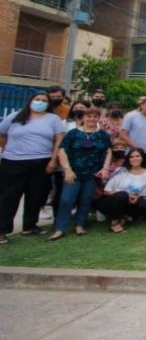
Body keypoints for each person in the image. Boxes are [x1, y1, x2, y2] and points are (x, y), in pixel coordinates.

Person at [0, 92, 65, 243]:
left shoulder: (53, 119)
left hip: (41, 161)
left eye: (44, 100)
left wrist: (53, 161)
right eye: (37, 99)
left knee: (36, 195)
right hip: (13, 162)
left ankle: (30, 225)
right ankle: (2, 229)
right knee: (9, 197)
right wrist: (6, 148)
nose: (40, 102)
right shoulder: (15, 116)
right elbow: (1, 134)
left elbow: (58, 141)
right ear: (30, 101)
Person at [49, 108, 112, 241]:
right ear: (83, 118)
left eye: (95, 116)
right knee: (66, 200)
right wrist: (67, 169)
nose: (92, 119)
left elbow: (108, 151)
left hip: (92, 174)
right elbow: (62, 151)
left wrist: (105, 168)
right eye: (89, 116)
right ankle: (60, 228)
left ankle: (80, 225)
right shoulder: (73, 133)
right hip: (74, 173)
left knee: (86, 200)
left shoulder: (103, 135)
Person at [96, 148, 146, 233]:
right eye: (132, 157)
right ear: (128, 159)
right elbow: (106, 191)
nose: (134, 159)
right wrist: (127, 195)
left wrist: (136, 197)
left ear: (142, 157)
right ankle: (115, 222)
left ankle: (124, 216)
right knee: (122, 195)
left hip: (130, 200)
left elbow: (144, 193)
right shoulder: (121, 171)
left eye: (137, 156)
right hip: (112, 199)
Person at [120, 97, 146, 164]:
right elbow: (123, 134)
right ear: (142, 106)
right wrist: (134, 146)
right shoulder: (131, 116)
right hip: (132, 153)